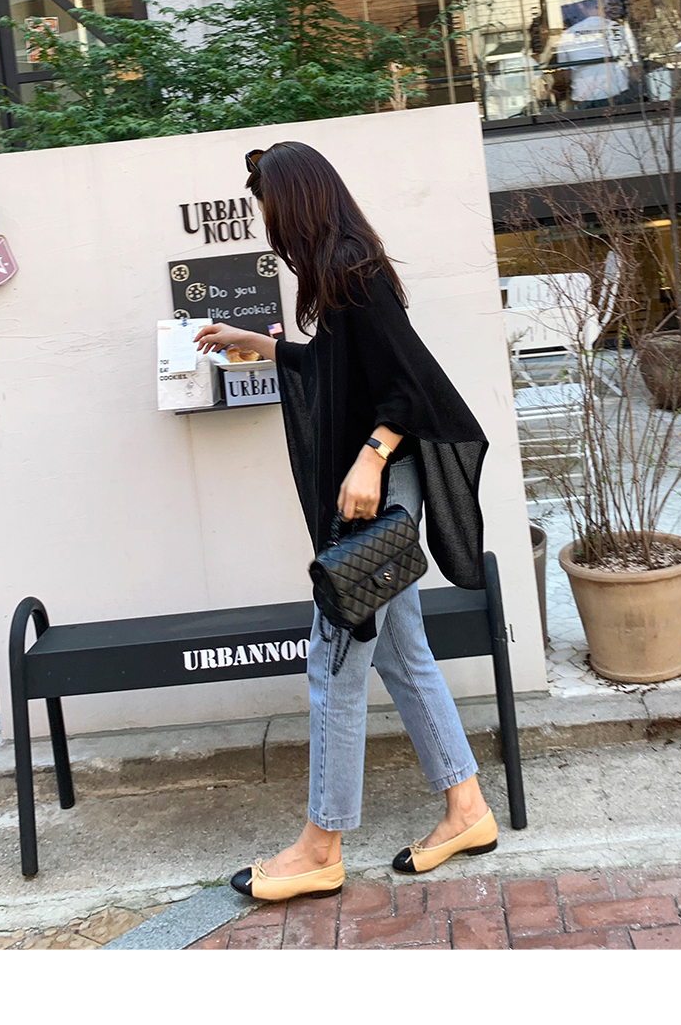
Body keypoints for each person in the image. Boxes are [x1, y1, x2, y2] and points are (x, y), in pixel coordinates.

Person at [194, 140, 498, 904]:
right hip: (380, 495)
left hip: (378, 496)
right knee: (403, 654)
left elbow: (413, 384)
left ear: (297, 202)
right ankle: (467, 809)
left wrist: (371, 453)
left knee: (332, 666)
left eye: (271, 209)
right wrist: (260, 345)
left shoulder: (354, 270)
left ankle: (319, 847)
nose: (270, 226)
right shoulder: (342, 274)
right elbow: (342, 374)